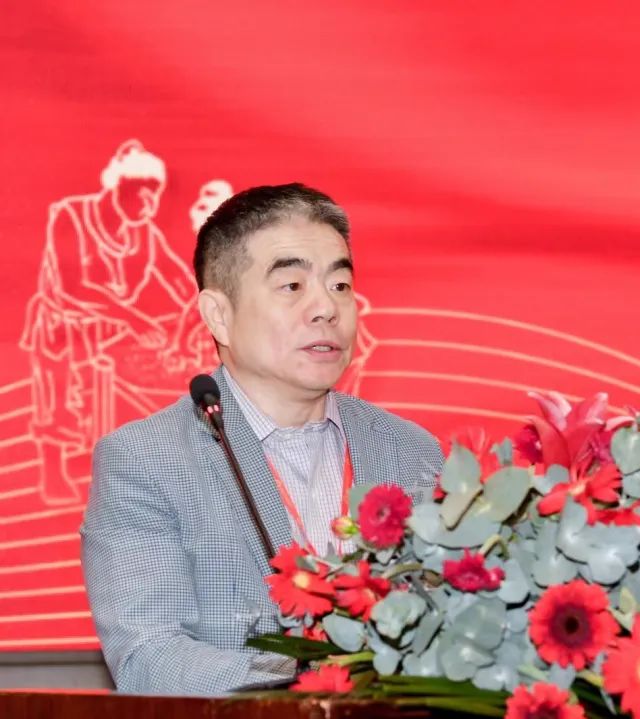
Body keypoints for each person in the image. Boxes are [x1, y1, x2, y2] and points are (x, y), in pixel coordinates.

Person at [80, 183, 444, 695]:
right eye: (292, 285)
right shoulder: (146, 460)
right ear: (219, 315)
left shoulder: (411, 452)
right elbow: (150, 658)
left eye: (340, 285)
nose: (326, 308)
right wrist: (325, 682)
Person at [20, 139, 196, 505]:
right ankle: (54, 465)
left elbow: (182, 283)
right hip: (64, 324)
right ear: (118, 189)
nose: (149, 206)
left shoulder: (144, 233)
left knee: (148, 376)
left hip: (113, 332)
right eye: (142, 195)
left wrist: (202, 309)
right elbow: (70, 287)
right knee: (59, 379)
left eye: (155, 196)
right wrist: (134, 319)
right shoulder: (71, 215)